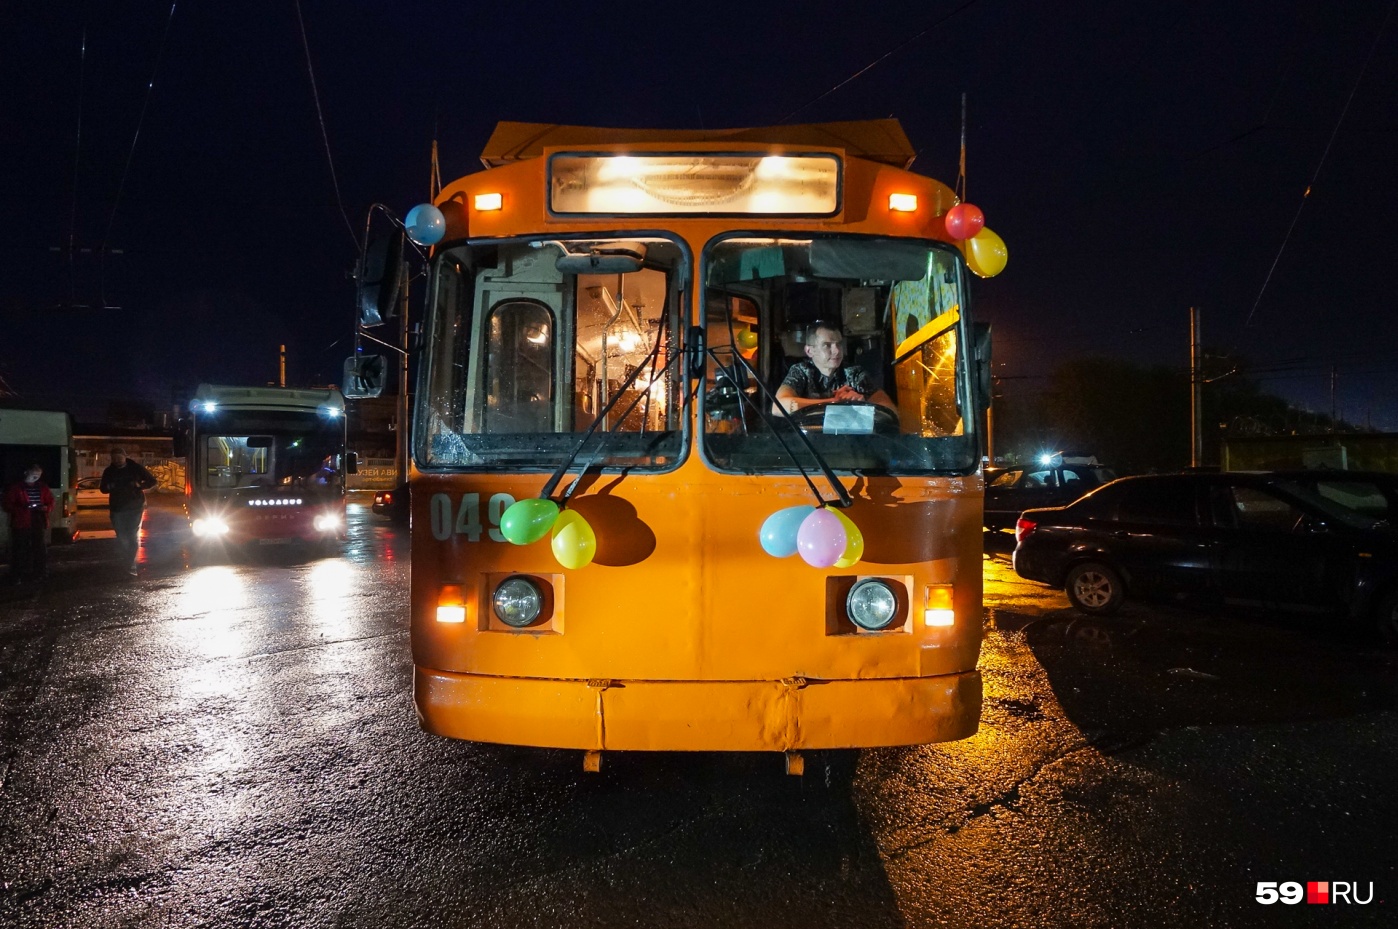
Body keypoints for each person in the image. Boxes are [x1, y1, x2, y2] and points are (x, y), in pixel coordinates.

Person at [773, 321, 895, 415]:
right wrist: (835, 402)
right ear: (810, 351)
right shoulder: (801, 371)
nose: (837, 351)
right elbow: (778, 407)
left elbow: (890, 410)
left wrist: (863, 403)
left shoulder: (854, 373)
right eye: (827, 345)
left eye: (839, 344)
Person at [101, 447, 156, 576]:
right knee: (121, 537)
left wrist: (139, 486)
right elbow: (103, 488)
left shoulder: (135, 468)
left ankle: (130, 564)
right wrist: (111, 486)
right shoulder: (109, 471)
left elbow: (152, 481)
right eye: (114, 459)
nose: (117, 461)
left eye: (119, 458)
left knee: (131, 535)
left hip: (135, 507)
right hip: (117, 508)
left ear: (125, 456)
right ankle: (127, 560)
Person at [3, 463, 54, 583]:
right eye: (34, 474)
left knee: (39, 547)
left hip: (37, 518)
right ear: (26, 473)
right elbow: (7, 504)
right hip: (21, 520)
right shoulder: (17, 487)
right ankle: (18, 574)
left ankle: (39, 572)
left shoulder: (42, 487)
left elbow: (50, 501)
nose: (36, 477)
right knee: (20, 548)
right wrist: (22, 508)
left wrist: (46, 508)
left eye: (39, 475)